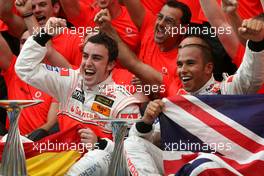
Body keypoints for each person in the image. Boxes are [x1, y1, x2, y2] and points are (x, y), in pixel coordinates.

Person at [123, 17, 264, 175]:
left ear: (208, 68)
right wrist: (146, 121)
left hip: (216, 167)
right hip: (181, 166)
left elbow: (250, 77)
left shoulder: (227, 90)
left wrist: (256, 42)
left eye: (190, 63)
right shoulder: (176, 102)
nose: (182, 70)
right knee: (132, 143)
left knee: (202, 164)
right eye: (179, 64)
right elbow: (147, 140)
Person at [15, 17, 144, 175]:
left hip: (99, 164)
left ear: (111, 64)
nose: (88, 63)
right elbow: (24, 68)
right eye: (85, 56)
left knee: (95, 158)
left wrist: (99, 144)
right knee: (12, 142)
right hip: (64, 157)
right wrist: (45, 34)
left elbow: (132, 158)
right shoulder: (69, 80)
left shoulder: (124, 103)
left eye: (96, 58)